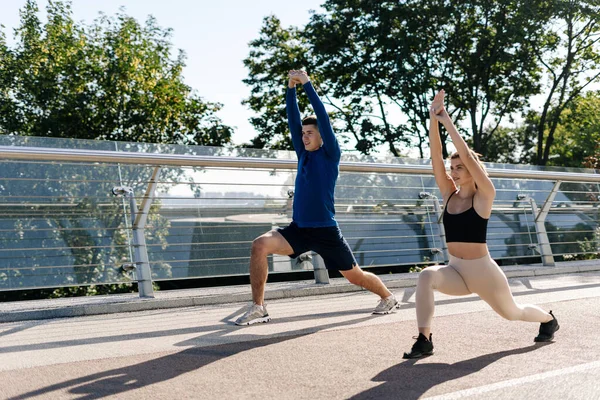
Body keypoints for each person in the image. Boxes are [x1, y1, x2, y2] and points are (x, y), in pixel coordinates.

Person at [403, 89, 559, 358]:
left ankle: (548, 320)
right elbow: (434, 155)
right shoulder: (449, 194)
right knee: (426, 275)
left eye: (459, 167)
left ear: (472, 169)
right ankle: (424, 339)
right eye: (452, 168)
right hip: (456, 271)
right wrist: (432, 118)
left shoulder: (484, 195)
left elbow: (467, 154)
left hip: (484, 274)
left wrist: (447, 120)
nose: (453, 171)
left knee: (513, 313)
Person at [235, 70, 399, 325]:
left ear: (323, 135)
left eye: (310, 132)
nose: (305, 136)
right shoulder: (303, 154)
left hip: (326, 231)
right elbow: (292, 119)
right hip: (299, 229)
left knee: (354, 276)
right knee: (259, 245)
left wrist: (307, 85)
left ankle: (388, 297)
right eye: (303, 133)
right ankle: (259, 307)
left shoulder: (331, 154)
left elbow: (322, 115)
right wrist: (290, 88)